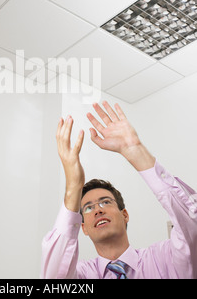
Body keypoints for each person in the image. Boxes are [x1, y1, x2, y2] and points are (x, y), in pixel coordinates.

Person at [40, 101, 197, 279]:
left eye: (106, 202)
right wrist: (73, 188)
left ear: (125, 215)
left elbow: (192, 226)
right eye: (89, 208)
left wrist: (136, 151)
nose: (98, 210)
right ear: (83, 227)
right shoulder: (82, 275)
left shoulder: (164, 259)